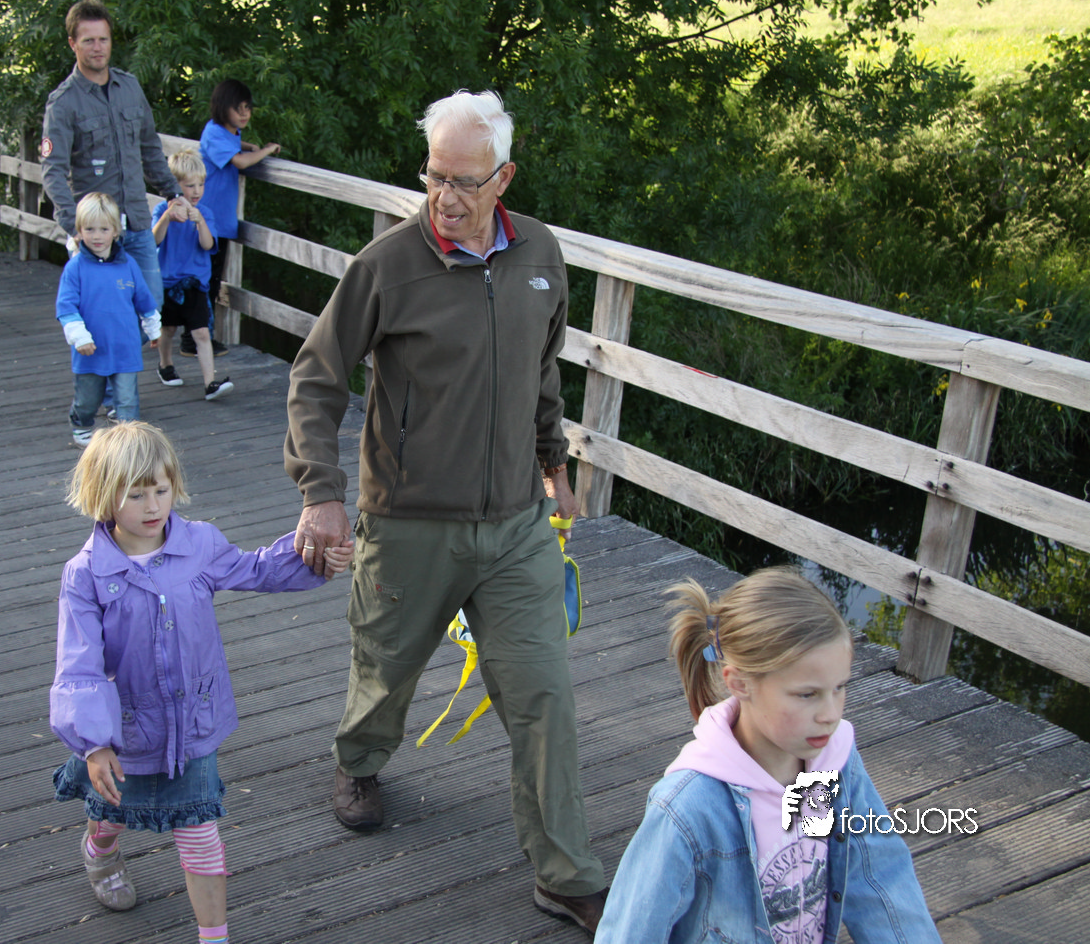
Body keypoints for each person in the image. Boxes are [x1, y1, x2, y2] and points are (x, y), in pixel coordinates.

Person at [283, 88, 608, 932]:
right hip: (408, 520)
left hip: (515, 526)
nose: (445, 197)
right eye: (434, 176)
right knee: (383, 669)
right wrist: (321, 493)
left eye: (465, 180)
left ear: (504, 178)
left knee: (543, 696)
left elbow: (540, 370)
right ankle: (358, 761)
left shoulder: (539, 253)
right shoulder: (387, 266)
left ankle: (564, 872)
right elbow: (316, 376)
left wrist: (553, 463)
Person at [50, 420, 353, 944]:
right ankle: (100, 851)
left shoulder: (199, 545)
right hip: (124, 731)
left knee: (201, 837)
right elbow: (79, 665)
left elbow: (258, 569)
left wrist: (317, 556)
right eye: (135, 494)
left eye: (161, 490)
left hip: (191, 725)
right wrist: (94, 743)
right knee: (112, 812)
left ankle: (214, 937)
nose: (153, 506)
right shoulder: (86, 574)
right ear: (103, 495)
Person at [594, 568, 941, 943]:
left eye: (839, 687)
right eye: (807, 694)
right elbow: (631, 931)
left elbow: (882, 879)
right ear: (740, 683)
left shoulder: (836, 765)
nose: (830, 714)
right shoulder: (687, 808)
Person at [41, 0, 179, 314]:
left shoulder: (130, 88)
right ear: (72, 43)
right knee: (101, 313)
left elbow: (150, 148)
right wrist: (74, 226)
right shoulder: (63, 103)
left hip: (138, 225)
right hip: (95, 232)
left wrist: (173, 193)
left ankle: (128, 348)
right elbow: (52, 171)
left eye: (103, 39)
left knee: (151, 307)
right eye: (88, 41)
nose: (97, 48)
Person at [57, 192, 161, 448]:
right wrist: (79, 337)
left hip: (125, 347)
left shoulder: (129, 265)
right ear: (79, 231)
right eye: (89, 229)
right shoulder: (75, 268)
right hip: (90, 350)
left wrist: (153, 328)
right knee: (88, 398)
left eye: (104, 229)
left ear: (115, 230)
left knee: (127, 399)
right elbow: (66, 307)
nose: (97, 236)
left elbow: (144, 300)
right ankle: (82, 424)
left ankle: (129, 437)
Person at [191, 79, 279, 359]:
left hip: (218, 222)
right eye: (237, 108)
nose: (243, 114)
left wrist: (247, 144)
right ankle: (195, 339)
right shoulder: (214, 132)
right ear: (222, 107)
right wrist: (265, 150)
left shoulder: (226, 132)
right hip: (209, 221)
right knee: (204, 281)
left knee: (212, 281)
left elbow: (233, 146)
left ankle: (198, 336)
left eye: (247, 108)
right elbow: (239, 161)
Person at [152, 148, 232, 401]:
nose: (196, 191)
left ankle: (210, 383)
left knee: (201, 333)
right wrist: (167, 217)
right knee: (167, 329)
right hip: (168, 282)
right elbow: (154, 240)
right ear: (175, 186)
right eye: (189, 186)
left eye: (201, 185)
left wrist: (200, 222)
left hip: (195, 284)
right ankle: (165, 365)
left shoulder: (205, 213)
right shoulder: (161, 211)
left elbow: (208, 245)